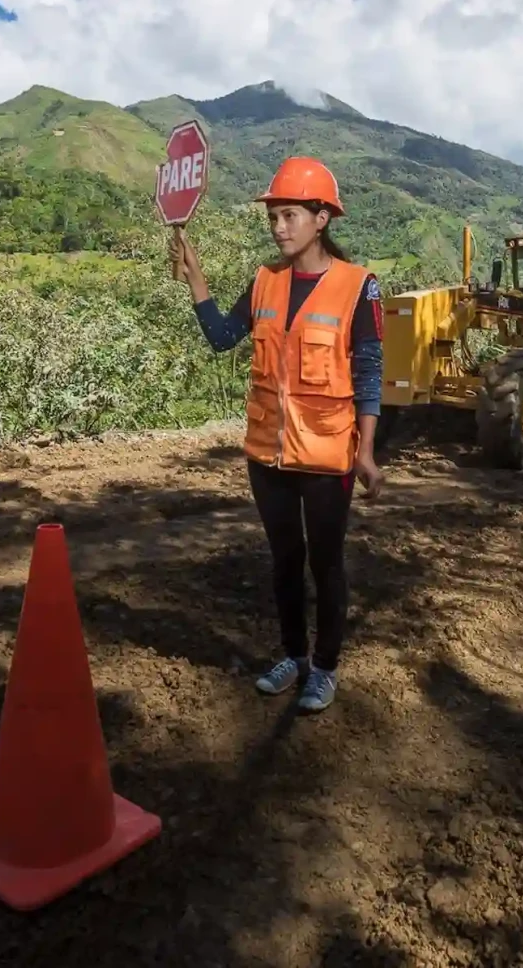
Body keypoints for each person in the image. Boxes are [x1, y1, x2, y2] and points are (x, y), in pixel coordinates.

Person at [171, 155, 384, 713]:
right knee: (285, 559)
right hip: (267, 454)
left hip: (327, 455)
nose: (279, 226)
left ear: (322, 219)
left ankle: (327, 667)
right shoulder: (265, 281)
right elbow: (222, 337)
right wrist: (196, 279)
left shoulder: (358, 286)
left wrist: (367, 451)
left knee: (326, 563)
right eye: (274, 217)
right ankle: (295, 656)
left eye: (290, 215)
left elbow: (367, 371)